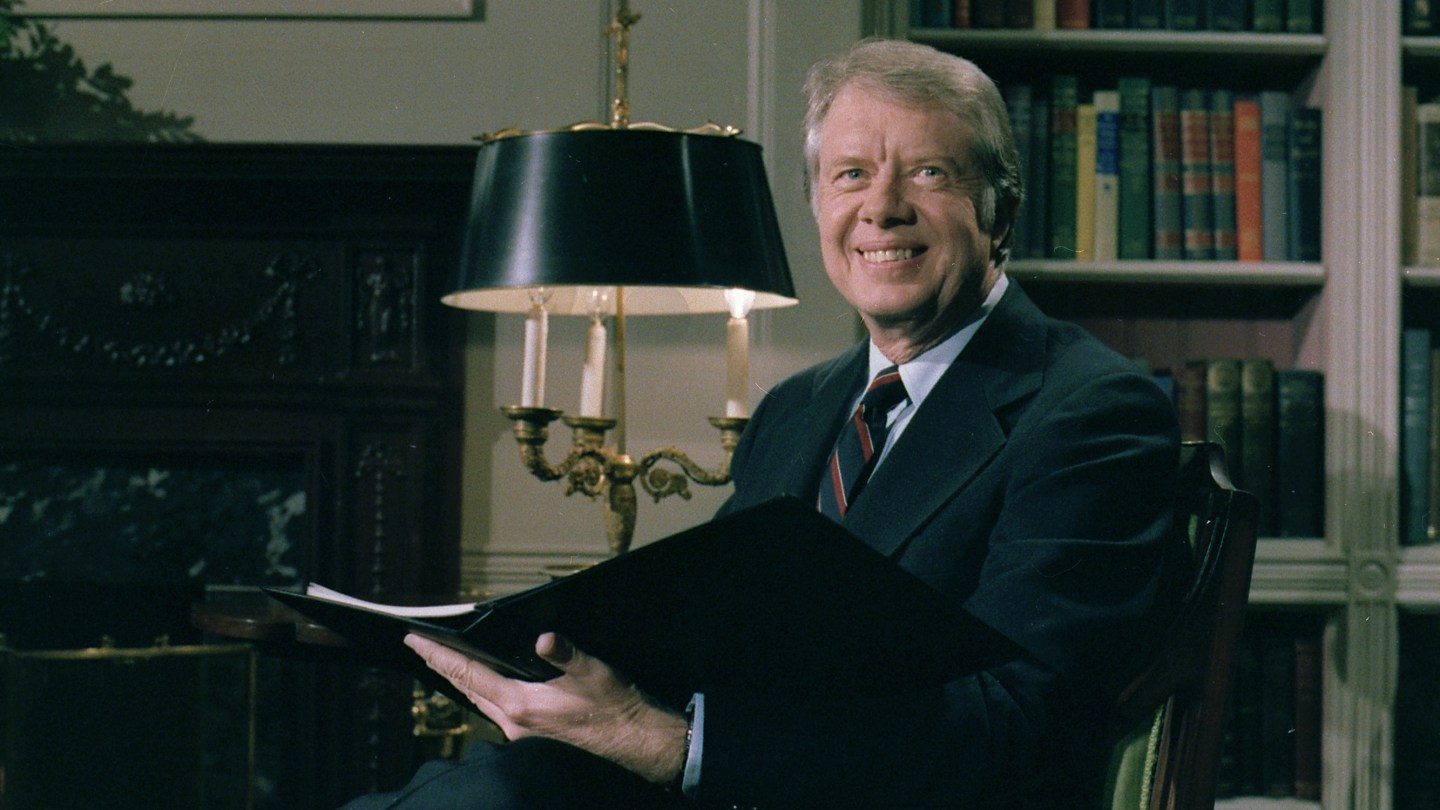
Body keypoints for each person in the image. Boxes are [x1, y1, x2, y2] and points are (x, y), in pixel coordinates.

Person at [344, 37, 1189, 809]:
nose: (882, 208)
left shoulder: (1090, 412)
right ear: (818, 205)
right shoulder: (798, 407)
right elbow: (713, 640)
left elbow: (1020, 724)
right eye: (851, 175)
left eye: (930, 173)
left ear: (1000, 211)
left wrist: (671, 743)